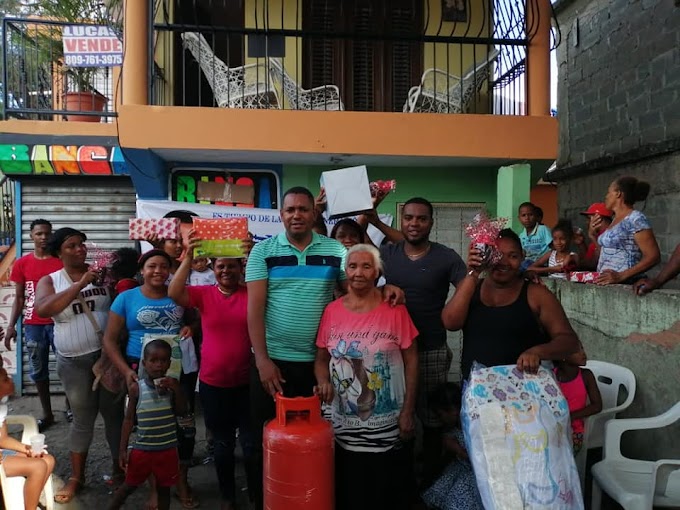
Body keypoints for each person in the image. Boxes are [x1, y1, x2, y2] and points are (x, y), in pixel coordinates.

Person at [246, 186, 403, 510]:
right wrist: (262, 360)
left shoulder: (334, 250)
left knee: (318, 441)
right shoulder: (263, 252)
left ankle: (313, 500)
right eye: (290, 210)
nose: (297, 215)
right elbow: (255, 310)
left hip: (319, 366)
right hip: (273, 364)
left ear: (314, 213)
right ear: (281, 215)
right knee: (264, 441)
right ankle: (266, 501)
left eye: (303, 209)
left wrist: (387, 286)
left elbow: (358, 284)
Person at [364, 197, 467, 485]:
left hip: (431, 348)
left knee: (431, 418)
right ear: (402, 219)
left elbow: (468, 287)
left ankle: (432, 482)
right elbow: (359, 258)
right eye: (409, 217)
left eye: (421, 218)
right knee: (395, 414)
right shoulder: (388, 253)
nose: (414, 223)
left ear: (431, 223)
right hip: (391, 352)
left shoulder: (446, 257)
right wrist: (369, 218)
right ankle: (403, 481)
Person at [314, 244, 418, 510]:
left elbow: (411, 361)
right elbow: (321, 360)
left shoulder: (395, 310)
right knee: (350, 490)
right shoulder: (331, 311)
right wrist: (323, 382)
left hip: (387, 425)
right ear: (345, 271)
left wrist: (408, 410)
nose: (358, 272)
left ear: (377, 273)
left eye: (366, 266)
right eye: (352, 266)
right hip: (342, 425)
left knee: (384, 491)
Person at [101, 249, 198, 509]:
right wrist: (126, 371)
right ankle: (155, 489)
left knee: (182, 423)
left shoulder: (178, 293)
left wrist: (190, 327)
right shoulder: (126, 298)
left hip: (177, 367)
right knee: (148, 426)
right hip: (141, 368)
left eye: (164, 266)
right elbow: (109, 340)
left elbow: (196, 319)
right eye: (152, 266)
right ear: (141, 271)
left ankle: (180, 480)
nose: (158, 271)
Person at [34, 228, 124, 504]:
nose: (80, 249)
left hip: (107, 358)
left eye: (82, 244)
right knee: (83, 419)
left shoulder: (104, 274)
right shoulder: (50, 280)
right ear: (58, 252)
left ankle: (119, 470)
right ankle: (77, 477)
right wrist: (80, 284)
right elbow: (44, 309)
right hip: (73, 362)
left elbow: (117, 305)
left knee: (114, 416)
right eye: (71, 246)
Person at [169, 233, 255, 510]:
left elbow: (268, 285)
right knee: (223, 444)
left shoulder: (252, 293)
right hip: (213, 383)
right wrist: (188, 257)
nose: (226, 270)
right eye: (220, 266)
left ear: (241, 268)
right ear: (213, 269)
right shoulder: (204, 294)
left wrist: (252, 254)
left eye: (232, 266)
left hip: (248, 382)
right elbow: (174, 293)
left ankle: (256, 496)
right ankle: (228, 497)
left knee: (251, 445)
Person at [442, 229, 579, 379]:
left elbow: (569, 341)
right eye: (497, 255)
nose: (504, 262)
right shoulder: (471, 288)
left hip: (526, 389)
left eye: (513, 256)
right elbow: (450, 323)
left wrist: (537, 352)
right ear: (485, 257)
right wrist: (472, 274)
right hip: (476, 389)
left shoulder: (536, 294)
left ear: (522, 257)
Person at [108, 339, 187, 510]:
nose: (158, 365)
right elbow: (128, 420)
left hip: (167, 449)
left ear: (169, 363)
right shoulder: (137, 389)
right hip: (142, 449)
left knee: (164, 489)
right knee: (129, 485)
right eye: (153, 360)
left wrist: (177, 389)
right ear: (144, 363)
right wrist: (122, 449)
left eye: (163, 360)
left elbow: (182, 411)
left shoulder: (172, 387)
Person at [4, 219, 63, 431]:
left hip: (60, 322)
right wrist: (11, 326)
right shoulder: (22, 263)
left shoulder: (60, 261)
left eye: (47, 233)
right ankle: (47, 414)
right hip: (33, 325)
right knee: (39, 371)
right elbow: (19, 298)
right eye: (39, 234)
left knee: (67, 368)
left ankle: (70, 409)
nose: (44, 237)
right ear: (31, 236)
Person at [0, 357, 56, 510]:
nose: (10, 380)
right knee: (38, 466)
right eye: (5, 379)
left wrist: (27, 449)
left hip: (2, 454)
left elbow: (3, 439)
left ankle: (29, 502)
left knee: (48, 460)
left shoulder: (1, 407)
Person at [421, 382, 483, 510]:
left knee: (456, 498)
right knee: (440, 490)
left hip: (474, 473)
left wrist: (461, 452)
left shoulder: (473, 427)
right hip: (460, 469)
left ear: (453, 410)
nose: (440, 419)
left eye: (440, 415)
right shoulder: (453, 432)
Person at [596, 176, 660, 285]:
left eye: (609, 192)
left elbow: (653, 256)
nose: (606, 196)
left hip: (626, 285)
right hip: (608, 285)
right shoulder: (615, 220)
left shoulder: (635, 219)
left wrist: (621, 275)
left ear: (618, 193)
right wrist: (593, 235)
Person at [554, 342, 602, 455]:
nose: (583, 353)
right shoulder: (552, 376)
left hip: (575, 432)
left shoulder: (586, 375)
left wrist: (570, 417)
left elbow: (597, 406)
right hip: (553, 427)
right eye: (577, 351)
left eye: (582, 349)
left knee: (560, 453)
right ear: (563, 356)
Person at [574, 203, 613, 270]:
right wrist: (581, 244)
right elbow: (588, 261)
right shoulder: (597, 236)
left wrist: (592, 237)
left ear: (599, 219)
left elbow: (599, 262)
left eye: (589, 219)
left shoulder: (610, 235)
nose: (587, 222)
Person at [518, 202, 552, 267]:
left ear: (536, 216)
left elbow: (553, 248)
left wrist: (538, 263)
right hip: (528, 265)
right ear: (519, 218)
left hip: (543, 264)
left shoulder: (543, 229)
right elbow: (523, 253)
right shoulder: (521, 235)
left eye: (530, 215)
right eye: (523, 215)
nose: (527, 218)